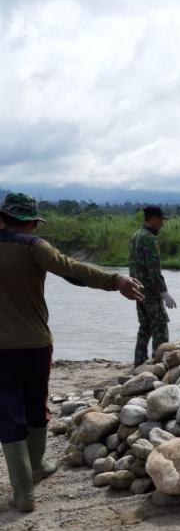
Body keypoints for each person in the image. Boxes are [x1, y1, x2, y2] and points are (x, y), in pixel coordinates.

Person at [0, 192, 144, 512]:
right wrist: (115, 280)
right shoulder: (34, 246)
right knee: (37, 405)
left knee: (8, 413)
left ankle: (23, 493)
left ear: (2, 218)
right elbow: (73, 269)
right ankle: (36, 467)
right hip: (35, 344)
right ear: (33, 222)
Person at [128, 205, 176, 366]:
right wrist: (164, 292)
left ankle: (139, 360)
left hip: (137, 290)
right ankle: (159, 363)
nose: (162, 224)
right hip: (151, 293)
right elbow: (154, 270)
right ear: (154, 218)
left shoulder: (135, 236)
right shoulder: (149, 238)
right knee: (160, 328)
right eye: (161, 220)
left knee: (145, 327)